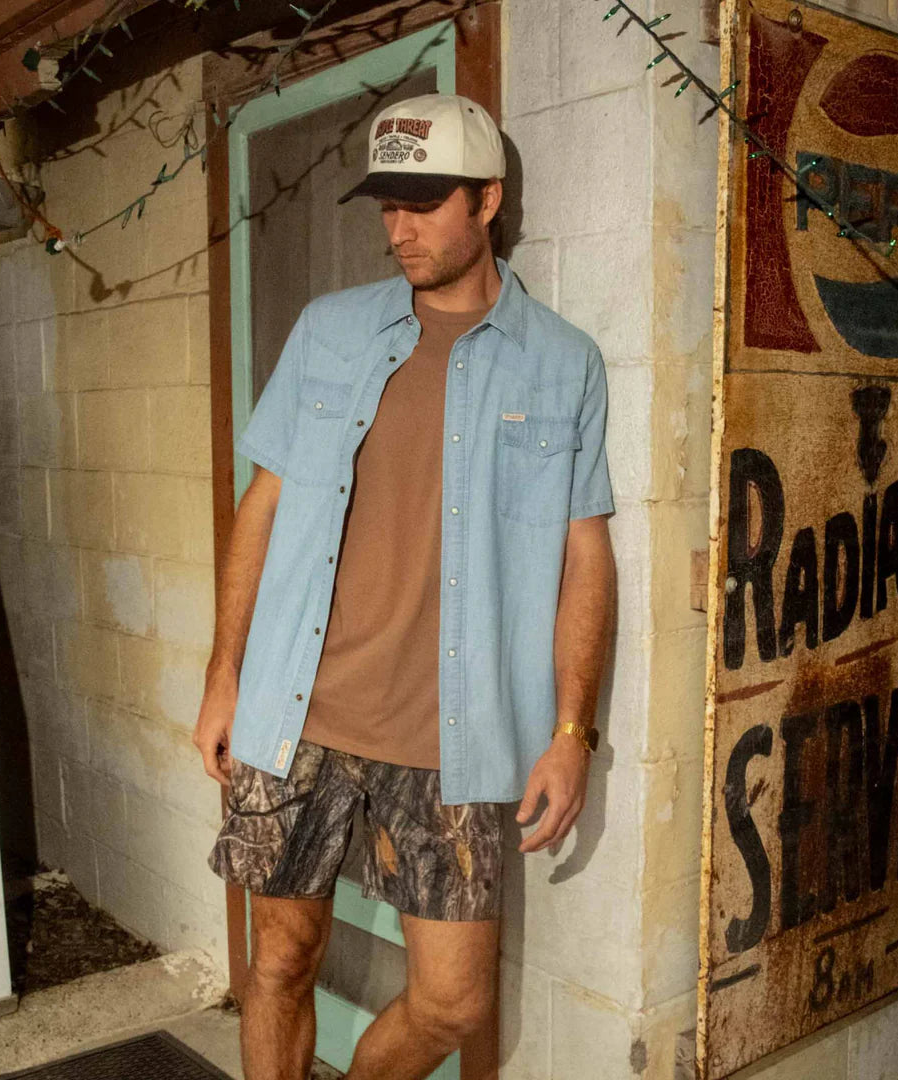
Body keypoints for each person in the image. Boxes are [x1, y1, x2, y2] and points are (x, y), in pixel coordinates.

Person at [193, 92, 617, 1080]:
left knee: (454, 1001)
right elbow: (262, 505)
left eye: (424, 205)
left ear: (488, 200)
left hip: (451, 737)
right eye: (389, 205)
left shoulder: (562, 365)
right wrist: (224, 675)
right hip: (296, 715)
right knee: (280, 962)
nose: (399, 230)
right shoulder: (331, 331)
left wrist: (572, 731)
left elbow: (584, 557)